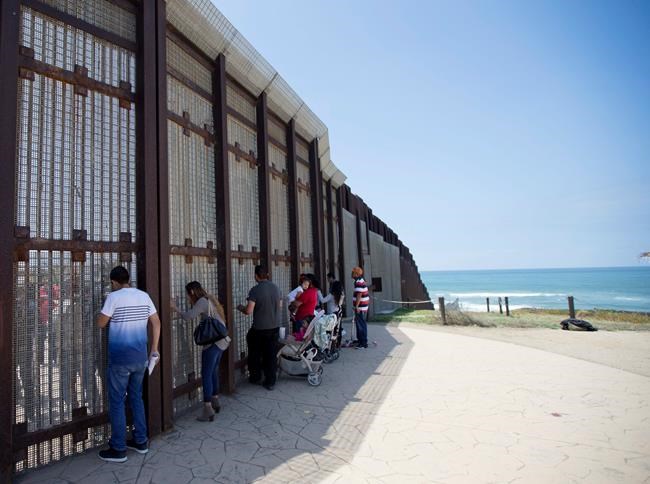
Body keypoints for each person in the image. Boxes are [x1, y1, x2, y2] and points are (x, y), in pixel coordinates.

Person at [96, 266, 161, 463]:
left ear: (114, 282)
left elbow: (101, 323)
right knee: (136, 398)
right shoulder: (144, 296)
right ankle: (141, 441)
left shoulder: (113, 297)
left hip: (120, 359)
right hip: (140, 358)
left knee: (117, 401)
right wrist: (154, 349)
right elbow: (156, 322)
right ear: (128, 279)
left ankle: (118, 448)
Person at [171, 281, 227, 422]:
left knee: (206, 374)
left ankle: (208, 408)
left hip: (213, 343)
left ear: (191, 292)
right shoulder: (209, 299)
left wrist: (174, 307)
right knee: (213, 371)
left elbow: (188, 316)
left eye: (187, 295)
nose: (188, 298)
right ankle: (215, 400)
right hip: (222, 341)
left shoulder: (202, 301)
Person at [237, 265, 282, 391]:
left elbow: (248, 310)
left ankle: (255, 377)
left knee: (254, 353)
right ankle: (270, 382)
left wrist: (240, 307)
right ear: (267, 275)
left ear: (256, 276)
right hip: (274, 327)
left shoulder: (255, 290)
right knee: (271, 355)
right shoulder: (276, 288)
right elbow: (280, 306)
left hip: (260, 329)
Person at [351, 267, 370, 349]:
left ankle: (363, 343)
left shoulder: (359, 282)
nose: (351, 274)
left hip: (361, 307)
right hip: (362, 306)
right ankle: (360, 340)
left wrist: (356, 306)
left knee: (361, 324)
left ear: (356, 274)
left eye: (353, 273)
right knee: (360, 323)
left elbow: (359, 295)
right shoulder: (360, 281)